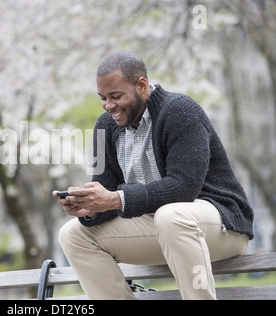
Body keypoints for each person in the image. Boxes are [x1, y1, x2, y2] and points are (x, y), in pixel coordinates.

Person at [53, 51, 254, 300]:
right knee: (72, 235)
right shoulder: (105, 126)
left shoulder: (180, 111)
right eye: (103, 98)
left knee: (171, 216)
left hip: (220, 225)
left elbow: (184, 188)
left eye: (116, 96)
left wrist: (116, 199)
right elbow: (108, 195)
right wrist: (91, 208)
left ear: (141, 85)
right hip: (161, 229)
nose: (108, 105)